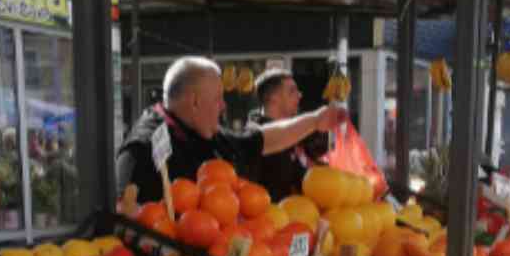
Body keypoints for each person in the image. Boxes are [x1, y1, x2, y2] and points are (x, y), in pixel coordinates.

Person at [117, 57, 347, 205]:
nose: (224, 106)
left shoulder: (204, 132)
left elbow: (264, 139)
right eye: (218, 99)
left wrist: (316, 121)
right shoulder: (142, 150)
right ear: (195, 101)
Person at [246, 68, 328, 200]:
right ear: (273, 98)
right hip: (274, 216)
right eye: (292, 91)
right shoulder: (256, 140)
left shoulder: (295, 134)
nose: (299, 95)